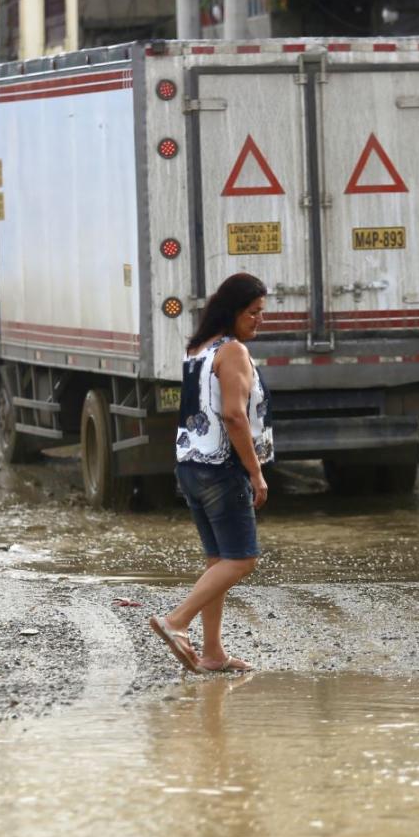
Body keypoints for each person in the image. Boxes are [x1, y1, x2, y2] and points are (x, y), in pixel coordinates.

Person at [147, 273, 273, 674]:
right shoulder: (232, 352)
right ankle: (176, 621)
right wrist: (256, 474)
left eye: (261, 313)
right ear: (233, 312)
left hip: (190, 467)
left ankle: (213, 653)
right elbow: (234, 415)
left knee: (218, 560)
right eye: (253, 313)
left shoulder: (197, 349)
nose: (259, 320)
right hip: (222, 468)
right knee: (243, 559)